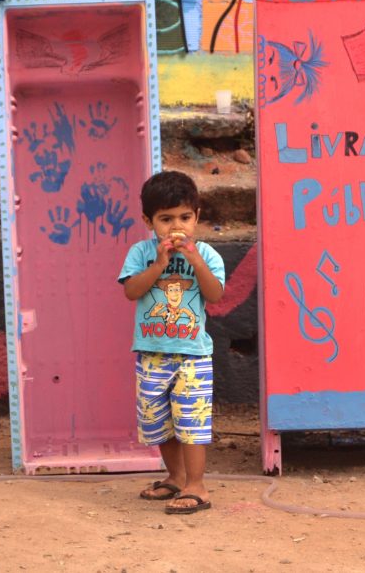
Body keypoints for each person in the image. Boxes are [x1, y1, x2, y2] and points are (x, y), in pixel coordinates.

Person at [118, 171, 225, 515]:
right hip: (151, 355)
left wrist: (193, 259)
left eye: (183, 217)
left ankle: (197, 485)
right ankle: (176, 477)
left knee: (191, 421)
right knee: (157, 421)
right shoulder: (141, 252)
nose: (175, 226)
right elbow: (131, 291)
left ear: (196, 216)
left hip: (193, 356)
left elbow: (215, 294)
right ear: (148, 221)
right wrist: (160, 264)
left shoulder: (207, 254)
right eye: (165, 219)